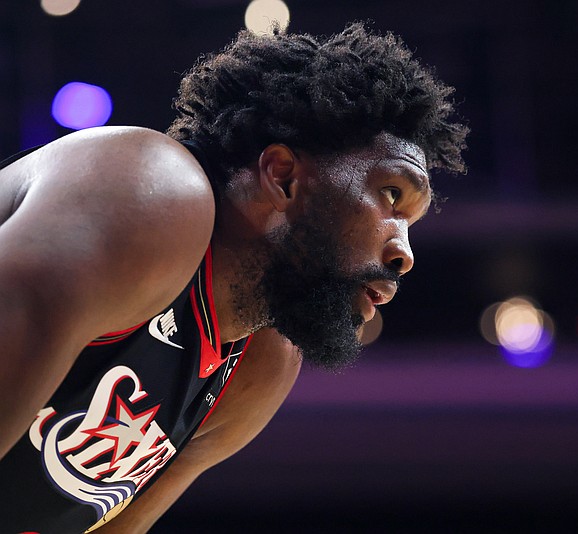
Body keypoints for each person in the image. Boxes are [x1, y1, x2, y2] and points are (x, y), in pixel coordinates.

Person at [0, 22, 467, 533]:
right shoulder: (153, 193)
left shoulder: (260, 364)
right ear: (283, 176)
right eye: (392, 196)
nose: (405, 253)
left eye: (411, 223)